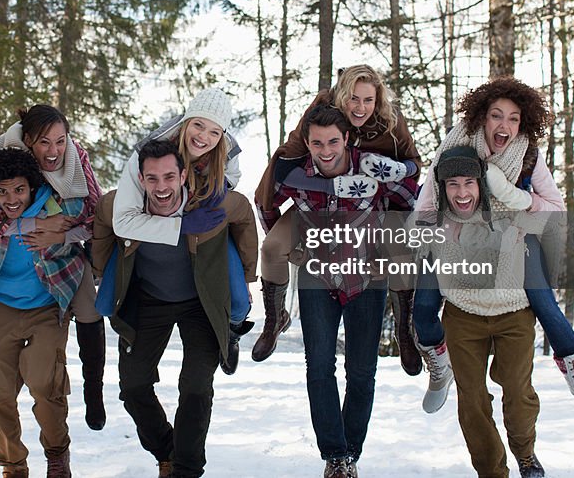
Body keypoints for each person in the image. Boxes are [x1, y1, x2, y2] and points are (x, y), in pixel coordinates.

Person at [412, 77, 574, 443]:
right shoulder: (456, 145)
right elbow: (426, 206)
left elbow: (555, 211)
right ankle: (440, 367)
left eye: (513, 118)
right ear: (481, 118)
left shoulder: (528, 154)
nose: (503, 126)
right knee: (424, 305)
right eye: (496, 116)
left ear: (523, 124)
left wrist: (517, 201)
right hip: (453, 234)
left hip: (516, 235)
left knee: (547, 308)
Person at [0, 105, 106, 441]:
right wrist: (26, 228)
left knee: (88, 307)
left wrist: (60, 235)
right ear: (28, 143)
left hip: (62, 255)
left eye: (60, 141)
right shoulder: (2, 163)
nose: (54, 151)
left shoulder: (75, 160)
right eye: (44, 143)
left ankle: (94, 390)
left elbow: (93, 217)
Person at [258, 104, 415, 478]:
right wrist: (289, 243)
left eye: (332, 141)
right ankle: (335, 457)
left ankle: (352, 451)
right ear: (307, 143)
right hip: (318, 278)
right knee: (319, 369)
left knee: (361, 372)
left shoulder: (370, 166)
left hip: (367, 278)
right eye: (317, 143)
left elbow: (409, 196)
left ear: (346, 138)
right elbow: (266, 203)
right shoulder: (295, 174)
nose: (325, 150)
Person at [92, 139, 258, 478]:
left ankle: (185, 468)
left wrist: (245, 274)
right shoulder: (120, 206)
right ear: (140, 179)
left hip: (201, 301)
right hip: (149, 300)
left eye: (169, 177)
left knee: (196, 386)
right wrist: (100, 268)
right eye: (152, 179)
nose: (161, 187)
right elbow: (102, 227)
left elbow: (244, 215)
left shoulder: (211, 202)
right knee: (134, 385)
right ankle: (168, 450)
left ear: (183, 175)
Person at [253, 65, 423, 374]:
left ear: (378, 99)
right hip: (318, 204)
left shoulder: (390, 122)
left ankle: (404, 330)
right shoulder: (321, 112)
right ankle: (275, 317)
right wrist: (327, 186)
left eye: (368, 100)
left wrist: (399, 172)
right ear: (339, 96)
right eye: (353, 99)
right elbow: (283, 164)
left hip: (374, 202)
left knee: (400, 253)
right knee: (272, 248)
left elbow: (413, 164)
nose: (360, 108)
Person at [0, 147, 82, 478]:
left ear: (32, 187)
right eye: (2, 191)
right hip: (1, 308)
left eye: (19, 189)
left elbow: (86, 225)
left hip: (45, 307)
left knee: (44, 381)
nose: (11, 198)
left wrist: (57, 234)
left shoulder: (54, 207)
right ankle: (13, 465)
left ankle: (56, 453)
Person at [419, 145, 546, 478]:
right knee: (472, 401)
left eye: (469, 183)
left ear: (481, 184)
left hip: (514, 315)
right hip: (462, 319)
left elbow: (547, 211)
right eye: (452, 184)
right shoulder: (434, 223)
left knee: (518, 394)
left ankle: (525, 453)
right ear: (442, 188)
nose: (462, 192)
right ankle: (492, 472)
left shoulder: (507, 209)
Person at [112, 86, 254, 374]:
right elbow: (122, 221)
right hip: (158, 228)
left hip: (204, 226)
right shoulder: (149, 152)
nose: (204, 137)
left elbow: (234, 175)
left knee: (239, 303)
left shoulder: (226, 150)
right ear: (186, 121)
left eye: (215, 132)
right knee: (111, 299)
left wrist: (220, 187)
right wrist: (181, 225)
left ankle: (232, 332)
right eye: (199, 125)